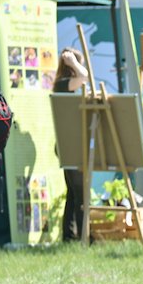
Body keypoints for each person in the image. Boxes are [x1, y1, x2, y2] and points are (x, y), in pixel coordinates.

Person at [53, 48, 89, 241]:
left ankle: (70, 235)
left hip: (72, 143)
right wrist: (73, 62)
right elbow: (84, 76)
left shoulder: (68, 86)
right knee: (80, 191)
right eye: (78, 64)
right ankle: (83, 235)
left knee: (74, 192)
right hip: (69, 144)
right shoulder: (63, 84)